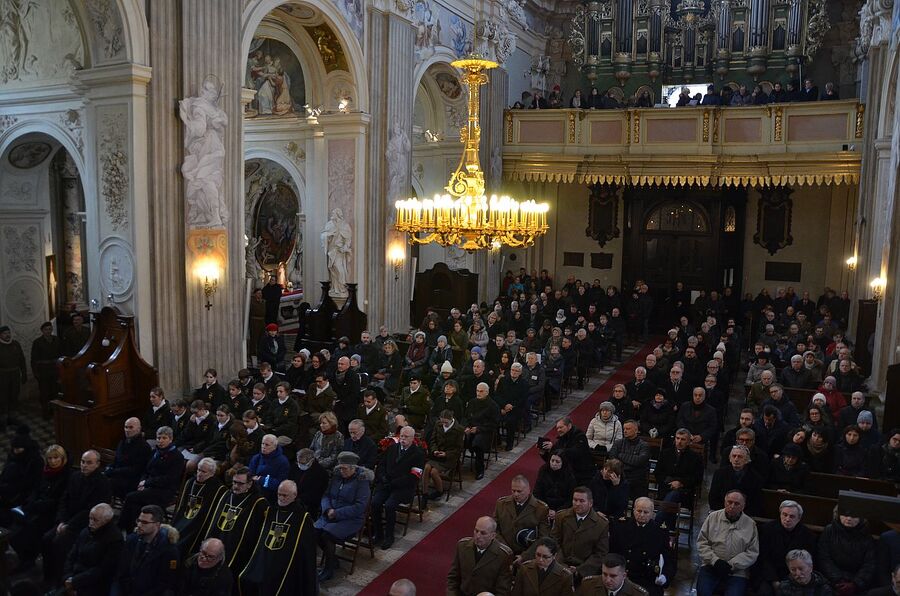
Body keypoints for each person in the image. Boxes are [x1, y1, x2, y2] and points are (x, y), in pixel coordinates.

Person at [41, 449, 111, 584]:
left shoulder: (102, 483)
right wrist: (61, 520)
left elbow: (89, 511)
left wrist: (68, 525)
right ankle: (47, 576)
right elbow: (64, 500)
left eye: (89, 463)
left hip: (84, 524)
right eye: (83, 462)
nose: (84, 465)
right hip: (67, 520)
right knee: (45, 539)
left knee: (59, 543)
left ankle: (59, 580)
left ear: (97, 464)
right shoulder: (75, 476)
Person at [238, 480, 317, 595]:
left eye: (285, 495)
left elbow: (306, 549)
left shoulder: (303, 517)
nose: (281, 498)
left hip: (286, 564)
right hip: (265, 558)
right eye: (279, 494)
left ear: (294, 496)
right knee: (246, 579)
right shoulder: (271, 510)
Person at [8, 444, 69, 570]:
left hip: (51, 513)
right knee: (13, 533)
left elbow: (58, 500)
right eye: (50, 458)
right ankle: (25, 558)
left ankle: (28, 560)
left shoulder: (67, 476)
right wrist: (31, 503)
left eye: (56, 458)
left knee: (29, 531)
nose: (53, 461)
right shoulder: (45, 472)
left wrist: (36, 505)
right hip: (36, 508)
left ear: (62, 458)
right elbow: (35, 489)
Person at [314, 451, 370, 581]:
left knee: (327, 535)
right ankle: (333, 559)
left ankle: (329, 569)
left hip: (350, 519)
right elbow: (326, 495)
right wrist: (327, 508)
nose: (341, 471)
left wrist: (337, 513)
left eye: (344, 468)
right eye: (340, 468)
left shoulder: (361, 481)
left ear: (353, 468)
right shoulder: (337, 477)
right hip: (331, 513)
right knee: (314, 531)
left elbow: (360, 507)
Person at [202, 466, 269, 576]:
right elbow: (214, 520)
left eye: (240, 483)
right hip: (219, 539)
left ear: (249, 484)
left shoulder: (259, 503)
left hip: (239, 550)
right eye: (234, 482)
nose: (236, 486)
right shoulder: (228, 495)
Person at [119, 426, 186, 532]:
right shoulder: (155, 452)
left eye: (164, 438)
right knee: (135, 504)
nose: (161, 441)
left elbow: (169, 479)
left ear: (171, 439)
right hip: (149, 487)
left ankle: (120, 526)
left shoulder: (177, 456)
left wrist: (147, 483)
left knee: (130, 497)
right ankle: (132, 531)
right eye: (159, 438)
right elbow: (146, 470)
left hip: (164, 490)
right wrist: (142, 482)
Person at [697, 490, 760, 596]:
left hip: (737, 572)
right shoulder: (713, 517)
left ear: (743, 506)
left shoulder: (750, 524)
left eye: (737, 503)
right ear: (724, 502)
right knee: (703, 592)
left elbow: (752, 552)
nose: (732, 506)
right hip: (711, 566)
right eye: (729, 502)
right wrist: (715, 561)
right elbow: (702, 543)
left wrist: (731, 565)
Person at [372, 425, 424, 549]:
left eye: (406, 437)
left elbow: (414, 477)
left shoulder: (418, 454)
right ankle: (378, 533)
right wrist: (383, 478)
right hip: (386, 484)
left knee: (390, 505)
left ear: (412, 438)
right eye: (401, 436)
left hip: (403, 488)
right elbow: (381, 465)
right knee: (375, 503)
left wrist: (394, 483)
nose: (403, 439)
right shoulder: (392, 448)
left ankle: (389, 536)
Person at [111, 504, 180, 596]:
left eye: (144, 522)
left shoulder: (169, 550)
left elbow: (165, 583)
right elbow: (121, 570)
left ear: (157, 524)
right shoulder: (132, 540)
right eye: (138, 520)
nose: (139, 525)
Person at [753, 500, 818, 596]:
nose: (787, 519)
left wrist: (791, 579)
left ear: (799, 518)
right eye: (784, 514)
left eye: (792, 516)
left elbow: (808, 562)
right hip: (769, 575)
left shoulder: (808, 536)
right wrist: (774, 580)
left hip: (795, 576)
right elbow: (763, 558)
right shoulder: (766, 529)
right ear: (780, 514)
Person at [611, 498, 674, 596]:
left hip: (647, 578)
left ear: (652, 514)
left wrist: (665, 576)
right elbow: (612, 553)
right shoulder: (621, 526)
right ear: (633, 511)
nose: (641, 515)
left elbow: (669, 559)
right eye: (639, 511)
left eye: (646, 512)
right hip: (624, 576)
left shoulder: (660, 531)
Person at [59, 502, 123, 596]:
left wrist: (75, 582)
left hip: (93, 584)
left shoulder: (115, 539)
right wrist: (68, 577)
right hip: (73, 577)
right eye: (90, 518)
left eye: (95, 520)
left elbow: (102, 570)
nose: (91, 523)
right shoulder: (86, 531)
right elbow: (72, 555)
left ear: (106, 521)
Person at [550, 486, 610, 581]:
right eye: (575, 500)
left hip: (584, 572)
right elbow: (554, 542)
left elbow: (600, 554)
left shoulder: (601, 524)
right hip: (560, 565)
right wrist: (562, 566)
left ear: (590, 503)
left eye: (582, 501)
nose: (577, 504)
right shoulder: (561, 517)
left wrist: (580, 570)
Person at [171, 457, 226, 558]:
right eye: (198, 470)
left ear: (212, 473)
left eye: (203, 472)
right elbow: (181, 507)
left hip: (198, 524)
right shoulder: (190, 482)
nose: (199, 474)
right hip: (184, 518)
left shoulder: (218, 488)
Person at [447, 516, 514, 596]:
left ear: (493, 536)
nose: (478, 536)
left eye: (483, 533)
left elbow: (503, 590)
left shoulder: (503, 555)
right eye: (476, 531)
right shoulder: (462, 546)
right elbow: (453, 578)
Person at [817, 508, 876, 595]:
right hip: (830, 580)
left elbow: (869, 564)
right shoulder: (829, 531)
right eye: (845, 515)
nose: (849, 518)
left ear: (861, 518)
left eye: (854, 516)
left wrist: (855, 584)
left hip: (856, 583)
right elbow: (823, 558)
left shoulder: (867, 537)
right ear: (838, 515)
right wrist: (839, 579)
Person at [493, 474, 550, 561]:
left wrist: (525, 556)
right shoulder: (501, 504)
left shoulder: (541, 509)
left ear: (528, 490)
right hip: (502, 551)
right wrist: (504, 549)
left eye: (519, 491)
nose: (516, 494)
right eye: (513, 490)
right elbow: (494, 529)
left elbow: (542, 538)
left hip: (526, 554)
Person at [654, 428, 703, 527]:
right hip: (665, 488)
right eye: (677, 438)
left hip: (685, 492)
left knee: (673, 496)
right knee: (671, 497)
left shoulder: (696, 457)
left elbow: (697, 479)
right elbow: (658, 473)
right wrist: (669, 482)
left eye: (683, 439)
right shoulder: (665, 453)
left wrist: (680, 483)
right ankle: (669, 533)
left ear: (689, 441)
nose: (679, 441)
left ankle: (656, 524)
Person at [105, 417, 152, 499]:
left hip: (131, 480)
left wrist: (114, 471)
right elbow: (116, 460)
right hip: (118, 475)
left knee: (105, 483)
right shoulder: (122, 442)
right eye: (126, 427)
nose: (127, 430)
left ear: (139, 429)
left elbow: (136, 469)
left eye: (131, 427)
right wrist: (109, 467)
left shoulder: (144, 447)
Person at [709, 445, 764, 515]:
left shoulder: (755, 477)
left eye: (740, 456)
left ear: (747, 460)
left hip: (745, 515)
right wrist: (726, 512)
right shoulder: (720, 474)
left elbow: (756, 503)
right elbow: (713, 498)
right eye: (734, 456)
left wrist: (740, 515)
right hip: (722, 512)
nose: (736, 459)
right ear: (730, 459)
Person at [540, 417, 595, 485]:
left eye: (561, 427)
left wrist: (553, 447)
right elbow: (554, 458)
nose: (558, 430)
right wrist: (544, 453)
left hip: (580, 472)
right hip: (566, 470)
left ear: (569, 426)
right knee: (544, 471)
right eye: (557, 428)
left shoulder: (580, 436)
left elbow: (574, 453)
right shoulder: (562, 438)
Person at [424, 409, 465, 500]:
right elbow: (433, 440)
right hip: (437, 455)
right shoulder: (438, 425)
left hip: (449, 458)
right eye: (442, 422)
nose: (444, 424)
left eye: (446, 422)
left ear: (451, 420)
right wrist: (434, 450)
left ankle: (439, 491)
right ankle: (424, 494)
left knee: (434, 472)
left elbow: (458, 449)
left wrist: (446, 454)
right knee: (426, 468)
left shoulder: (459, 430)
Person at [463, 382, 500, 480]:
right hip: (471, 429)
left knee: (478, 443)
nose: (478, 393)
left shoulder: (493, 406)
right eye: (477, 391)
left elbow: (493, 424)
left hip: (485, 431)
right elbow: (466, 417)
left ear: (487, 392)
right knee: (458, 438)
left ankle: (480, 469)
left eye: (481, 391)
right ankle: (455, 467)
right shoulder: (472, 402)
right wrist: (466, 427)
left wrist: (478, 429)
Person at [608, 420, 650, 499]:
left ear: (636, 430)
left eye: (628, 429)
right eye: (624, 429)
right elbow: (612, 458)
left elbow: (639, 461)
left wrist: (620, 455)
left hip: (636, 478)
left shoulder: (644, 445)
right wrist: (630, 463)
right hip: (620, 474)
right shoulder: (618, 443)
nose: (625, 431)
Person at [30, 321, 62, 419]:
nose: (48, 331)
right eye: (46, 330)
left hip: (55, 370)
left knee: (55, 391)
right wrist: (36, 373)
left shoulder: (57, 340)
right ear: (42, 331)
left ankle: (54, 411)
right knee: (44, 393)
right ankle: (45, 412)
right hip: (43, 371)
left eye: (49, 329)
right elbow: (34, 359)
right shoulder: (37, 342)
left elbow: (61, 354)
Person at [577, 553, 650, 596]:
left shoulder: (638, 594)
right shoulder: (588, 585)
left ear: (624, 575)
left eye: (613, 576)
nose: (608, 580)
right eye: (605, 574)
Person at [248, 434, 290, 503]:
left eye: (267, 445)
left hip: (271, 497)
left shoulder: (283, 462)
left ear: (274, 447)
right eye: (262, 444)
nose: (263, 447)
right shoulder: (256, 458)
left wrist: (261, 480)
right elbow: (250, 474)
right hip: (254, 492)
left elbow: (280, 483)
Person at [287, 448, 329, 516]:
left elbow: (316, 494)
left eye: (302, 463)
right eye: (298, 462)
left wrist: (296, 499)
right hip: (292, 498)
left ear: (311, 460)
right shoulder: (295, 467)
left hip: (308, 505)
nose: (300, 465)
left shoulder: (321, 473)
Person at [0, 325, 27, 428]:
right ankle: (3, 419)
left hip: (15, 374)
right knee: (3, 397)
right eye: (4, 333)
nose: (7, 335)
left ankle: (12, 417)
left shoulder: (15, 344)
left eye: (8, 333)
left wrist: (23, 374)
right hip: (2, 376)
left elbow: (22, 360)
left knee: (14, 395)